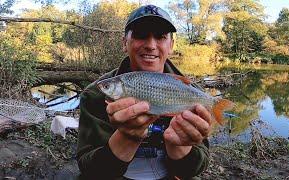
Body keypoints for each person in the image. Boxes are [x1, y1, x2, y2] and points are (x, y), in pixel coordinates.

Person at [77, 4, 212, 180]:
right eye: (141, 35)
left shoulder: (192, 94)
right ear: (125, 43)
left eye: (160, 36)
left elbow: (195, 168)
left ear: (171, 45)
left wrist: (180, 147)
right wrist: (125, 138)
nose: (150, 45)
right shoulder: (95, 94)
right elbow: (89, 169)